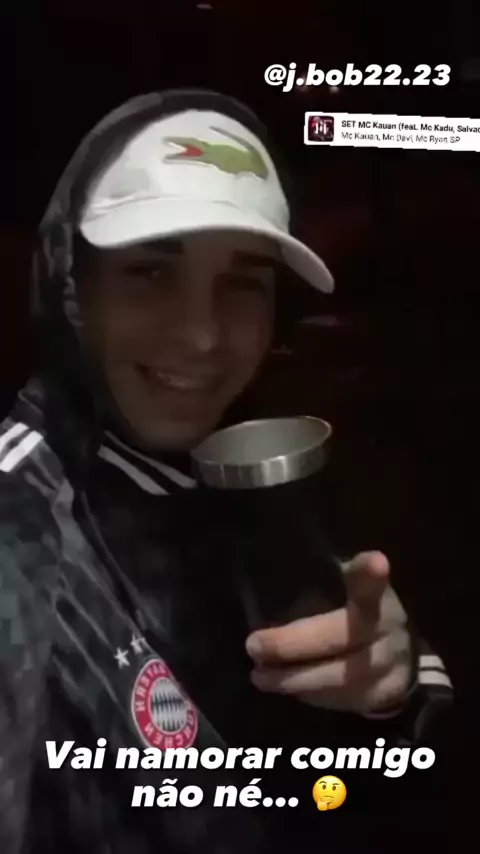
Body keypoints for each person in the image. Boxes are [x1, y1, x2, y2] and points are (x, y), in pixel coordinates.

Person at [0, 89, 452, 854]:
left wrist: (391, 695)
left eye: (244, 281)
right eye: (150, 271)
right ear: (73, 287)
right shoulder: (23, 522)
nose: (204, 336)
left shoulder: (266, 476)